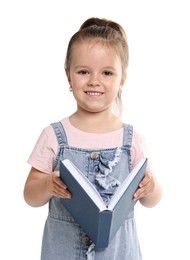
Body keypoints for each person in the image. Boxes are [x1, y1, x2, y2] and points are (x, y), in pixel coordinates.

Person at [23, 17, 162, 260]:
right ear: (69, 76)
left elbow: (152, 200)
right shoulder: (54, 136)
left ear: (122, 80)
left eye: (107, 72)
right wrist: (46, 185)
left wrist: (151, 188)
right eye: (83, 71)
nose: (94, 81)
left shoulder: (131, 140)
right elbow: (29, 195)